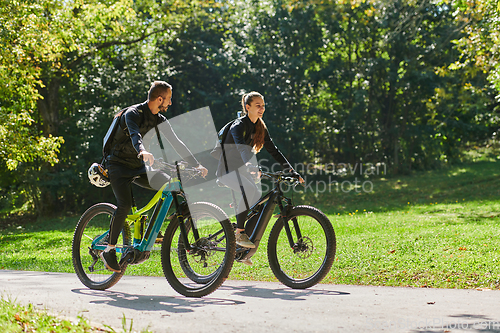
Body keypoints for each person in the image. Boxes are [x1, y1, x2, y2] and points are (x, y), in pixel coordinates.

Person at [101, 81, 208, 273]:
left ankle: (153, 227)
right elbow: (135, 136)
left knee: (169, 184)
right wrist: (142, 151)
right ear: (160, 99)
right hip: (117, 164)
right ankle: (109, 250)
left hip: (139, 165)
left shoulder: (160, 119)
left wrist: (196, 164)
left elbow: (177, 143)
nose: (170, 103)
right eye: (169, 99)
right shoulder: (132, 113)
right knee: (124, 205)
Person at [216, 91, 304, 261]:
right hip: (227, 170)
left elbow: (273, 150)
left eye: (263, 105)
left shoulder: (260, 127)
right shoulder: (238, 125)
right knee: (250, 190)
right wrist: (249, 164)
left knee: (257, 199)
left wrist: (291, 170)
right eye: (258, 105)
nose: (262, 108)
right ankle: (240, 233)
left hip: (241, 171)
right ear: (247, 107)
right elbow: (241, 147)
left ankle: (242, 250)